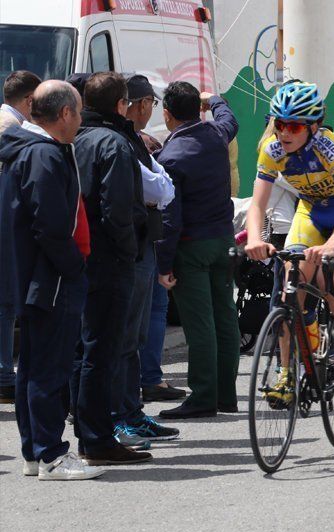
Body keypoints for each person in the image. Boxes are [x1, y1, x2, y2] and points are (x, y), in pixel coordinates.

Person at [0, 80, 105, 480]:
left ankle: (36, 453)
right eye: (77, 112)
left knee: (34, 366)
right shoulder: (43, 153)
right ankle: (51, 456)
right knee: (48, 369)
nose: (80, 120)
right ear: (63, 114)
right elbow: (50, 224)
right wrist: (73, 268)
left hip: (37, 275)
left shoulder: (27, 148)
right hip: (51, 277)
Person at [245, 81, 334, 394]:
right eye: (279, 124)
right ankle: (287, 372)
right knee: (290, 284)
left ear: (313, 127)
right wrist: (254, 239)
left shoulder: (330, 147)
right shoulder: (271, 149)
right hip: (311, 211)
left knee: (330, 280)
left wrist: (331, 245)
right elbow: (257, 203)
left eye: (293, 126)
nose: (284, 133)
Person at [72, 71, 152, 466]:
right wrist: (127, 251)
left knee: (85, 350)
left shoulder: (76, 139)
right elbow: (117, 211)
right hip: (108, 260)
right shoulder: (113, 143)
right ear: (121, 104)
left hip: (80, 259)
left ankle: (88, 433)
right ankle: (98, 439)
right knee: (102, 352)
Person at [154, 82, 241, 419]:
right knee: (225, 316)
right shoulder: (217, 135)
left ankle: (203, 395)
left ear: (167, 113)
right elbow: (230, 117)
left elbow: (170, 216)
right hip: (222, 239)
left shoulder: (171, 155)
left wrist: (164, 262)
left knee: (199, 323)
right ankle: (225, 394)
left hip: (192, 245)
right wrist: (214, 100)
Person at [109, 74, 181, 443]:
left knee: (132, 336)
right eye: (148, 103)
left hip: (138, 246)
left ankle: (129, 411)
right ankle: (120, 416)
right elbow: (159, 188)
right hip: (130, 249)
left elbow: (161, 188)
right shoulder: (121, 141)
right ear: (136, 104)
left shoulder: (132, 140)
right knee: (124, 338)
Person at [0, 70, 41, 404]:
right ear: (30, 100)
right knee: (6, 302)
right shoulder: (12, 129)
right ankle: (2, 373)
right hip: (5, 225)